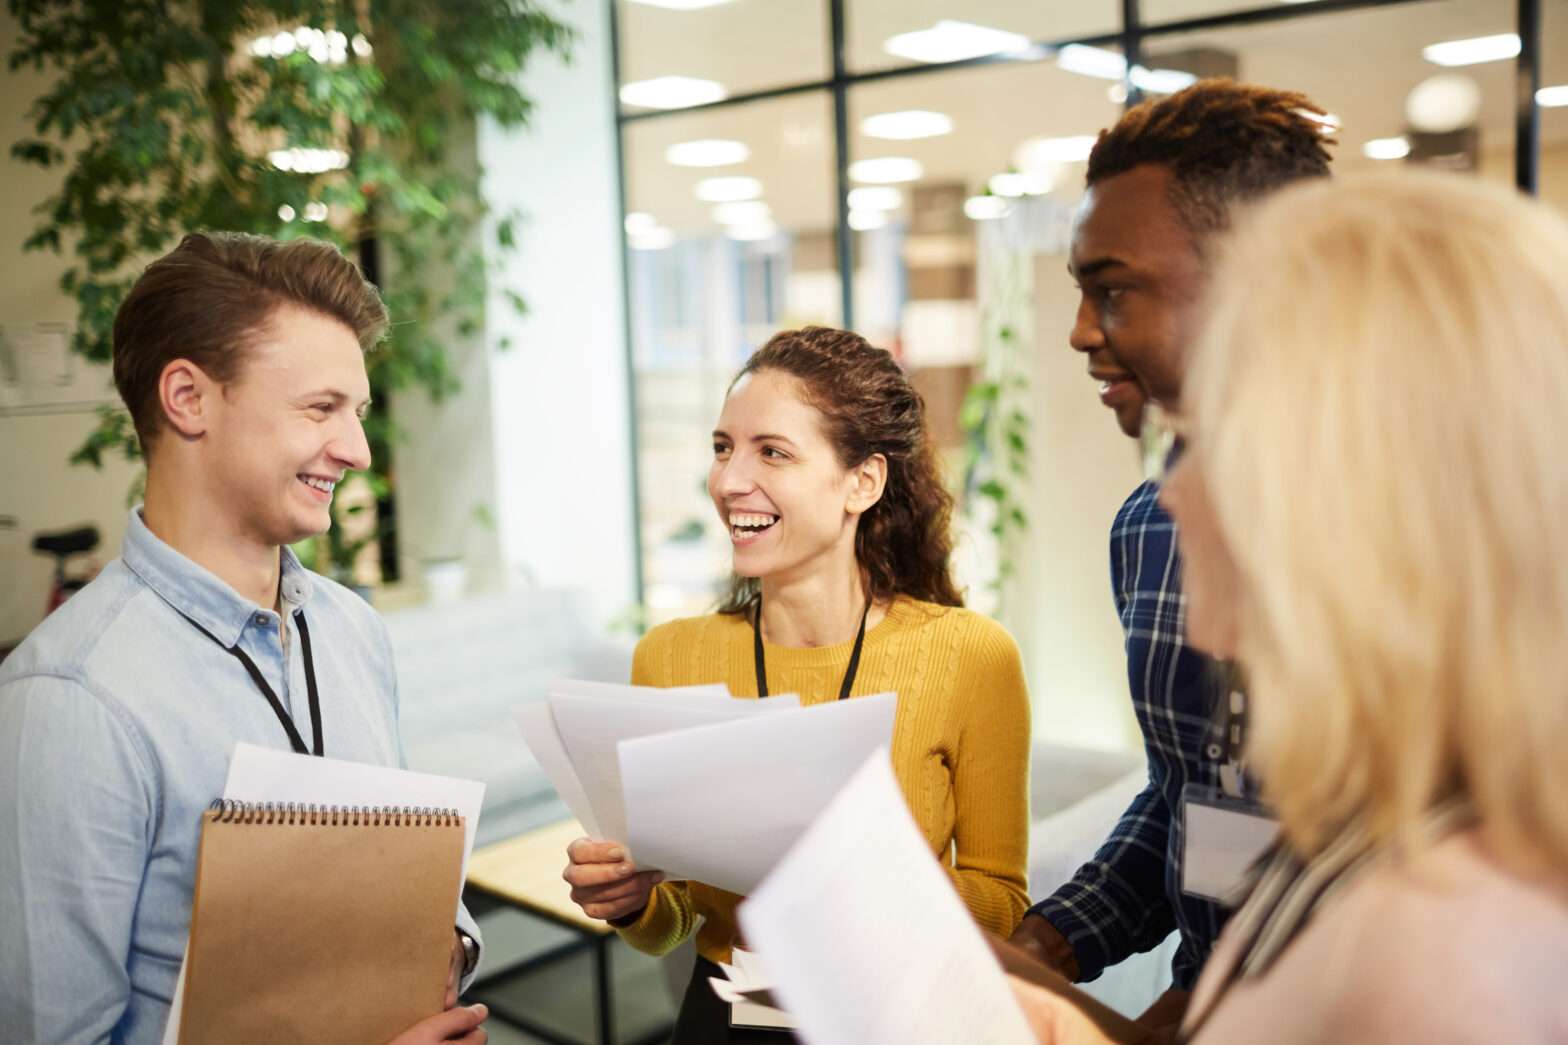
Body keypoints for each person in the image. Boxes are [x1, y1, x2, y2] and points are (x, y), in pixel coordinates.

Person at [1014, 168, 1568, 1044]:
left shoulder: (1443, 958)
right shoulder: (1405, 827)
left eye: (1214, 442)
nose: (1175, 499)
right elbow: (1187, 802)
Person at [0, 232, 488, 1045]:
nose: (358, 450)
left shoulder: (351, 630)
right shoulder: (68, 702)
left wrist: (447, 945)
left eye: (357, 412)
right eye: (321, 407)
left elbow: (406, 865)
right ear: (188, 398)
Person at [563, 326, 1032, 1041]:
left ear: (862, 482)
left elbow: (1002, 902)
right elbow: (677, 918)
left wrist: (866, 880)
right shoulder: (669, 657)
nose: (727, 481)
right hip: (728, 1017)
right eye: (723, 448)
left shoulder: (972, 656)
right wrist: (632, 901)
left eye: (771, 452)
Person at [1010, 80, 1334, 1037]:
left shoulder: (1417, 551)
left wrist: (1187, 1017)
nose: (1079, 330)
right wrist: (1047, 944)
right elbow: (1189, 789)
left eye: (1111, 290)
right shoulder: (1150, 529)